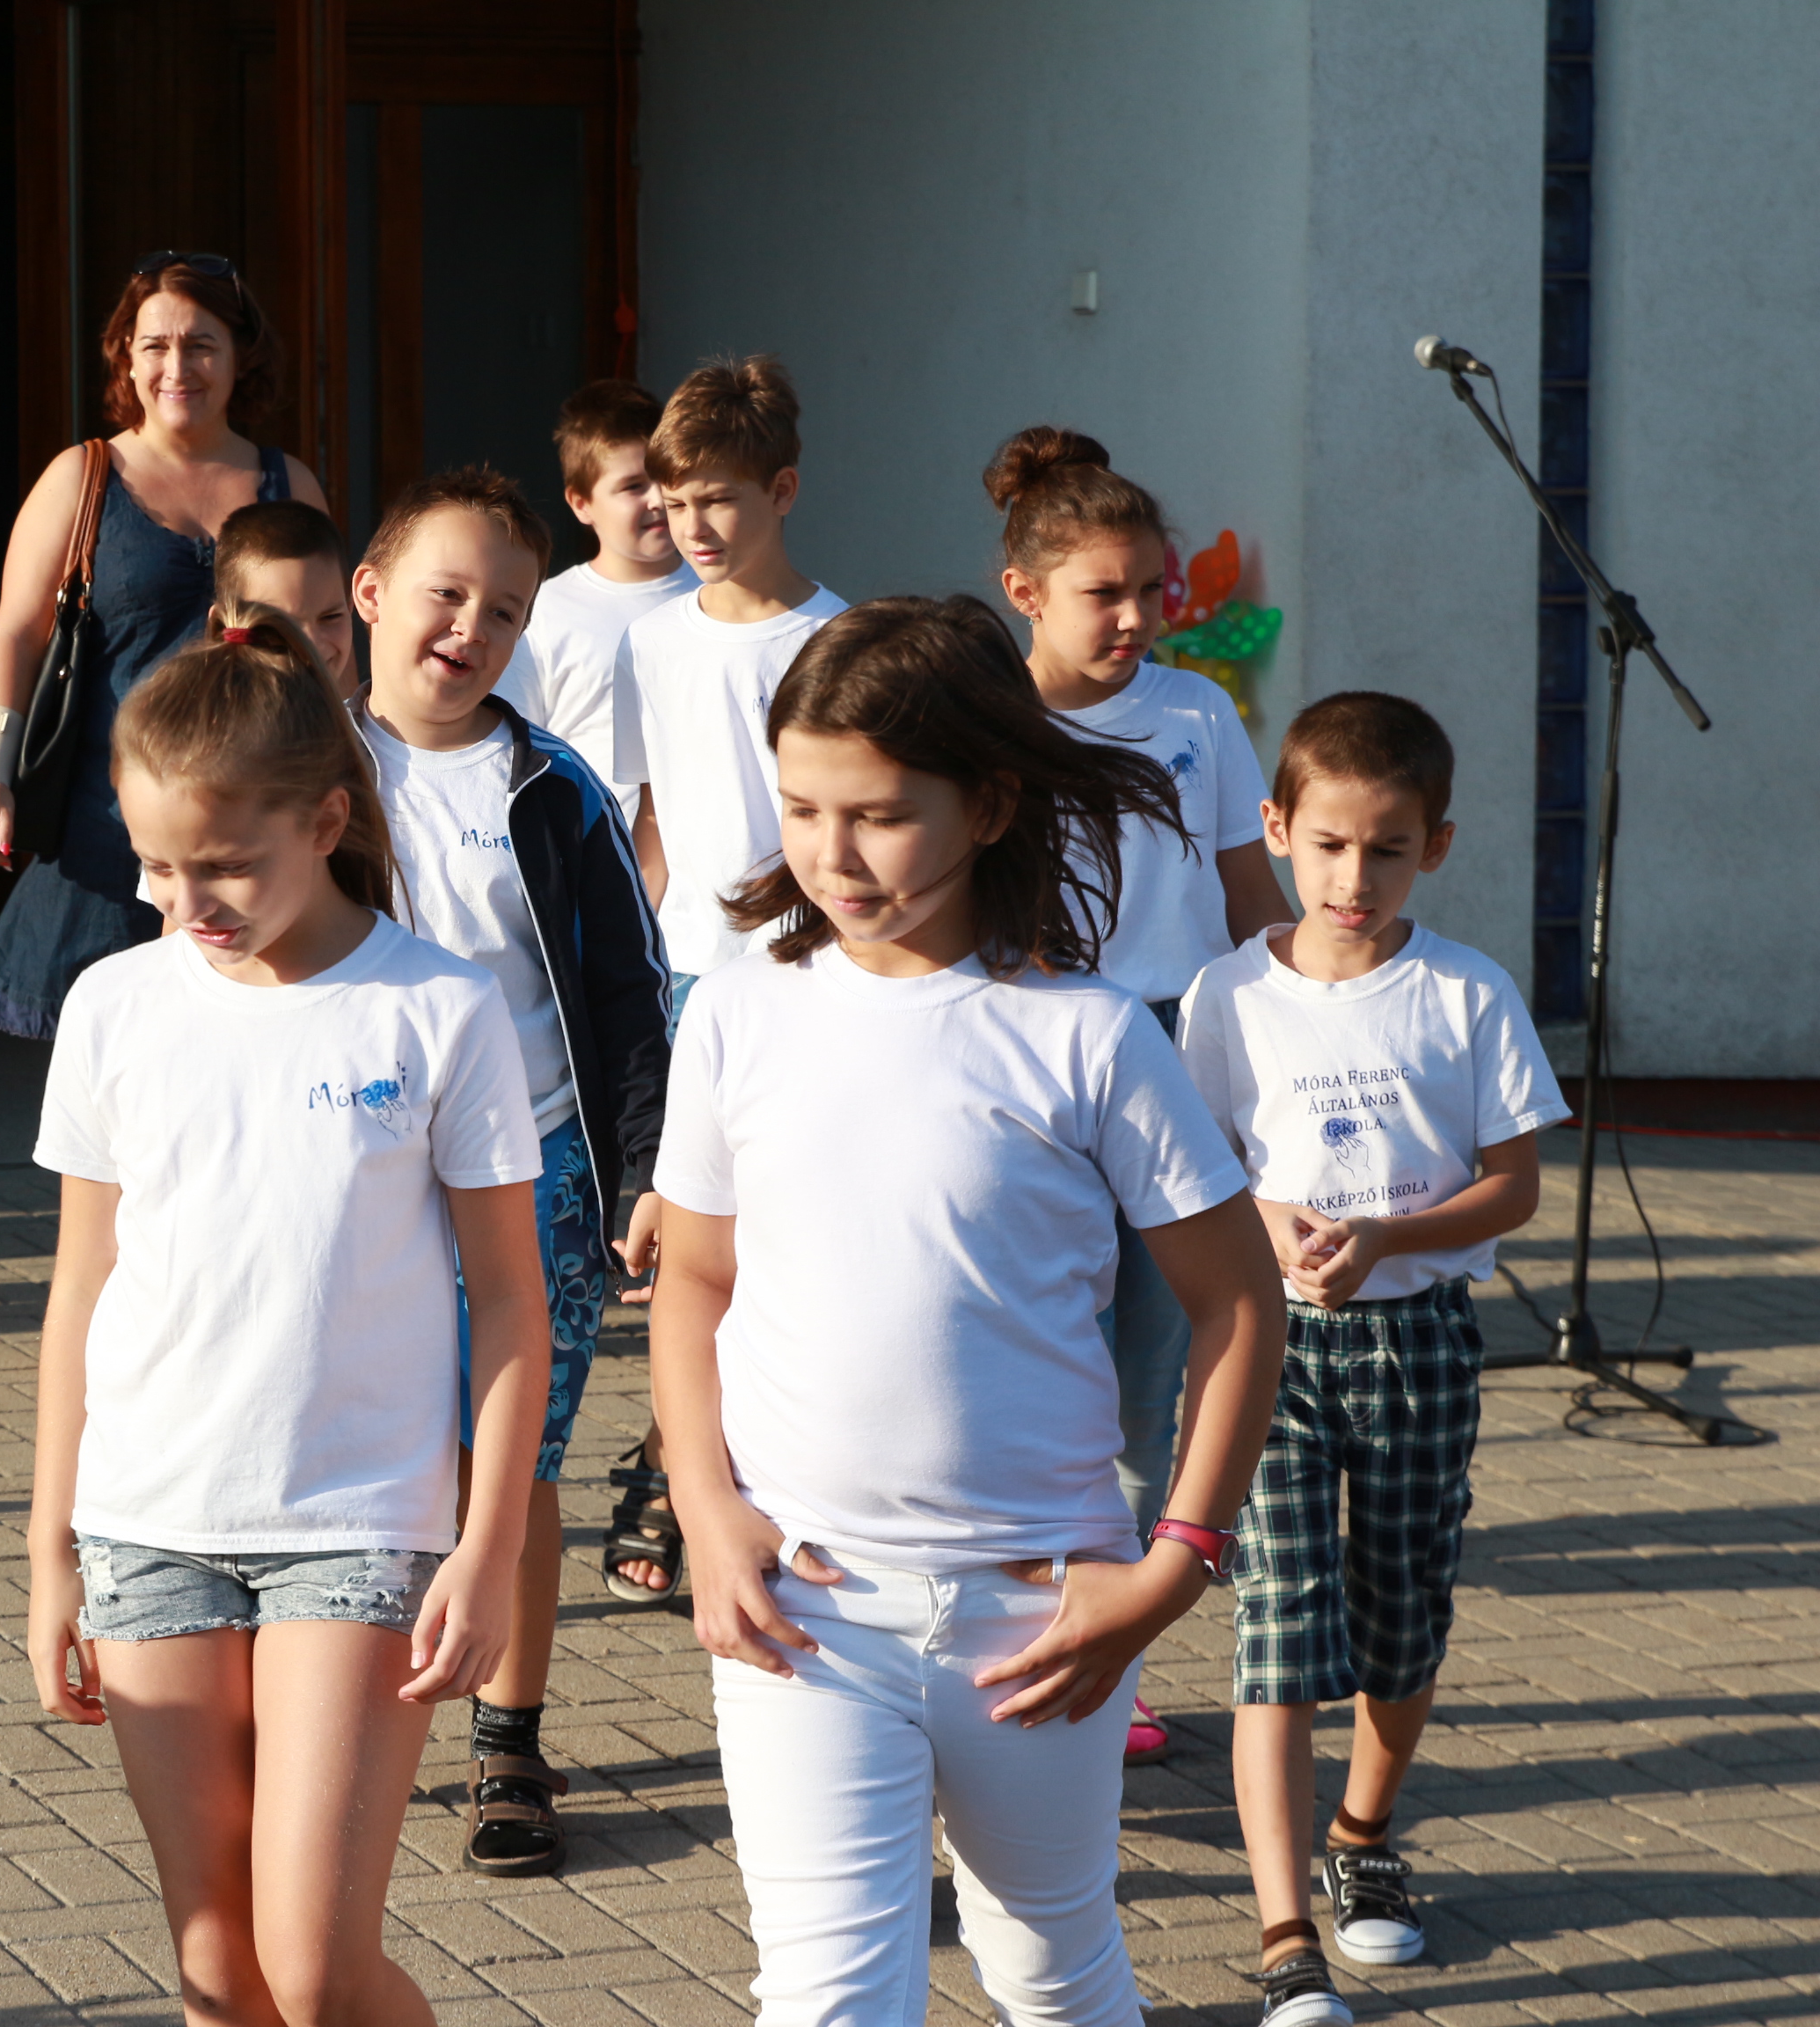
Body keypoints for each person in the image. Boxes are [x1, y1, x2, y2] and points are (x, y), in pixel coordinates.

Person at [650, 596, 1285, 2026]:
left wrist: (1176, 1562)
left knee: (1050, 1969)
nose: (830, 853)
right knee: (828, 1997)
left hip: (1043, 1612)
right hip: (800, 1603)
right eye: (801, 807)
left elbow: (1240, 1301)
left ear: (989, 804)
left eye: (879, 815)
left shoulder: (1090, 1033)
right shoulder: (739, 1011)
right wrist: (704, 1506)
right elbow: (694, 1278)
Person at [23, 618, 548, 2027]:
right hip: (147, 1523)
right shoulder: (112, 1005)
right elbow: (82, 1287)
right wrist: (49, 1548)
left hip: (360, 1523)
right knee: (218, 1973)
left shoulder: (437, 1009)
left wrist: (490, 1546)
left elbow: (510, 1300)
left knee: (313, 1970)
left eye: (225, 866)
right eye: (155, 865)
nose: (184, 899)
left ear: (325, 823)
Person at [1176, 693, 1565, 2027]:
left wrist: (1392, 1232)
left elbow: (1514, 1184)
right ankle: (1284, 1932)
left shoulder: (1467, 991)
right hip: (1271, 1349)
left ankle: (1365, 1837)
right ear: (1276, 827)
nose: (1354, 877)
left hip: (1421, 1342)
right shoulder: (1228, 994)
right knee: (1279, 1629)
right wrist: (1267, 1219)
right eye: (1330, 844)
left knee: (1402, 1616)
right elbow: (1198, 1174)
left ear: (1434, 848)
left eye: (1388, 850)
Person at [338, 467, 669, 1875]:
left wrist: (644, 1172)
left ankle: (509, 1741)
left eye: (506, 612)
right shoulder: (307, 771)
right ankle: (340, 1715)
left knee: (510, 1462)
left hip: (534, 1180)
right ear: (369, 593)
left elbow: (630, 997)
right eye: (446, 594)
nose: (471, 630)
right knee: (361, 1457)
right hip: (351, 1177)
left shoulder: (553, 787)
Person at [987, 424, 1297, 1765]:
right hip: (1031, 1062)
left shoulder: (1198, 715)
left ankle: (1108, 1649)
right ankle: (1006, 1624)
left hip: (1173, 1056)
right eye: (1101, 593)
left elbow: (1247, 894)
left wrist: (1305, 1032)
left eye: (1151, 591)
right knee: (1030, 1355)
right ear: (1025, 591)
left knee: (1147, 1372)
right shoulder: (986, 724)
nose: (1134, 618)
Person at [598, 355, 846, 1606]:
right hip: (691, 980)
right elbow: (654, 814)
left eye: (719, 501)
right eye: (673, 501)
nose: (691, 525)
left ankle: (729, 1460)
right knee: (693, 1243)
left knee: (788, 1240)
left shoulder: (835, 639)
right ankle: (677, 1460)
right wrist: (636, 954)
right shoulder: (650, 641)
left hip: (811, 972)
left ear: (782, 491)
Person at [0, 251, 332, 1040]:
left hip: (250, 835)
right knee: (110, 1072)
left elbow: (327, 638)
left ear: (240, 355)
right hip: (107, 836)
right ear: (126, 356)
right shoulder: (83, 476)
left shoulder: (288, 484)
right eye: (155, 345)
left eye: (201, 345)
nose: (177, 367)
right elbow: (17, 630)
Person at [494, 379, 694, 827]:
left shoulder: (722, 591)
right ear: (581, 503)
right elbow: (513, 752)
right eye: (632, 486)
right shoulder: (543, 612)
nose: (658, 498)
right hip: (594, 853)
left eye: (665, 477)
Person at [210, 500, 355, 692]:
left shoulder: (353, 711)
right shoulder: (198, 711)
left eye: (331, 617)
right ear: (222, 626)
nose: (313, 643)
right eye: (284, 623)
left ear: (350, 606)